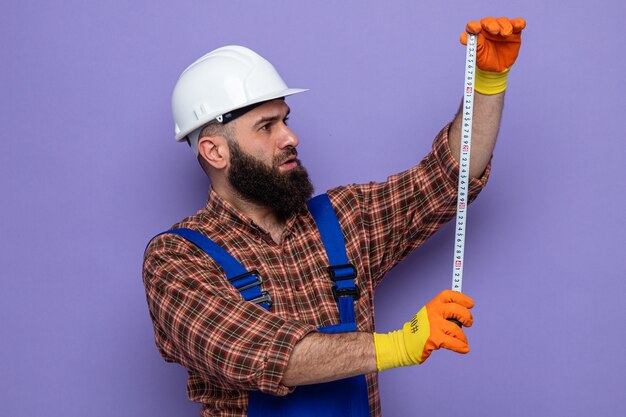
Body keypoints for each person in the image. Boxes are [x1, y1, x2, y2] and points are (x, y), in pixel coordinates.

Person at [143, 16, 526, 417]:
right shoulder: (176, 260)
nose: (290, 137)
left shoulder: (344, 220)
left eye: (285, 120)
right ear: (215, 152)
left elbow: (448, 178)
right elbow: (262, 353)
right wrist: (399, 345)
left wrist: (487, 81)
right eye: (266, 126)